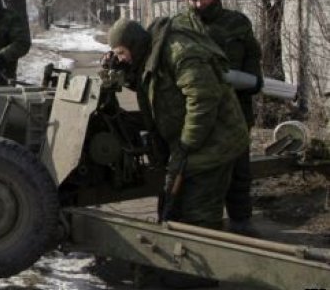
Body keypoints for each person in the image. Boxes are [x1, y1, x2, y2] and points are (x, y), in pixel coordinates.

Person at [107, 17, 250, 288]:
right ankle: (181, 275)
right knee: (173, 209)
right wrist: (121, 71)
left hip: (214, 145)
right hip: (191, 146)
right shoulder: (151, 53)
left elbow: (203, 98)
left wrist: (186, 143)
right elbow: (151, 85)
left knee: (199, 219)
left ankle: (201, 279)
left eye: (122, 53)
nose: (122, 58)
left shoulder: (179, 51)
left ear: (134, 44)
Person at [175, 0, 263, 236]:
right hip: (198, 107)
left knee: (238, 166)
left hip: (236, 106)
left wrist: (251, 80)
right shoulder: (180, 26)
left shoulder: (237, 23)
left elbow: (252, 55)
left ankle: (240, 220)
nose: (198, 4)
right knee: (197, 167)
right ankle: (197, 222)